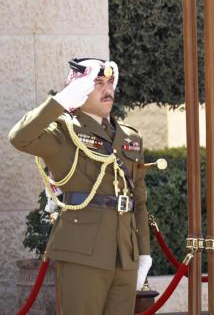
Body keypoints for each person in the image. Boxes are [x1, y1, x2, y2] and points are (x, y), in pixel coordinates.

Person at [9, 58, 152, 314]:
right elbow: (20, 137)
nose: (107, 89)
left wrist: (144, 255)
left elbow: (138, 201)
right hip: (82, 252)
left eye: (110, 82)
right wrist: (60, 102)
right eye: (97, 83)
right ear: (79, 88)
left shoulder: (130, 137)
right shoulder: (62, 132)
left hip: (125, 255)